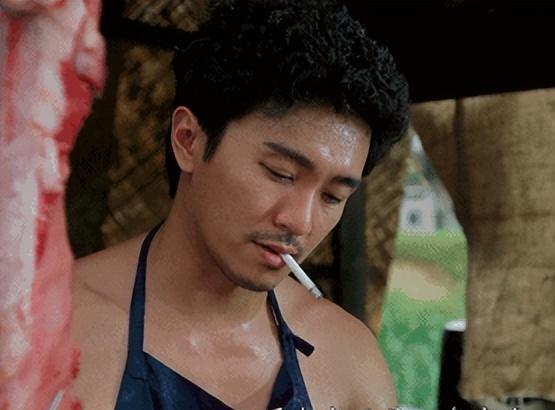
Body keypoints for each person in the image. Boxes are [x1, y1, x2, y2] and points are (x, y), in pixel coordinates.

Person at [69, 0, 409, 408]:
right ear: (189, 140)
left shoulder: (349, 365)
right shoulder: (58, 328)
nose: (300, 222)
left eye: (333, 196)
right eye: (280, 173)